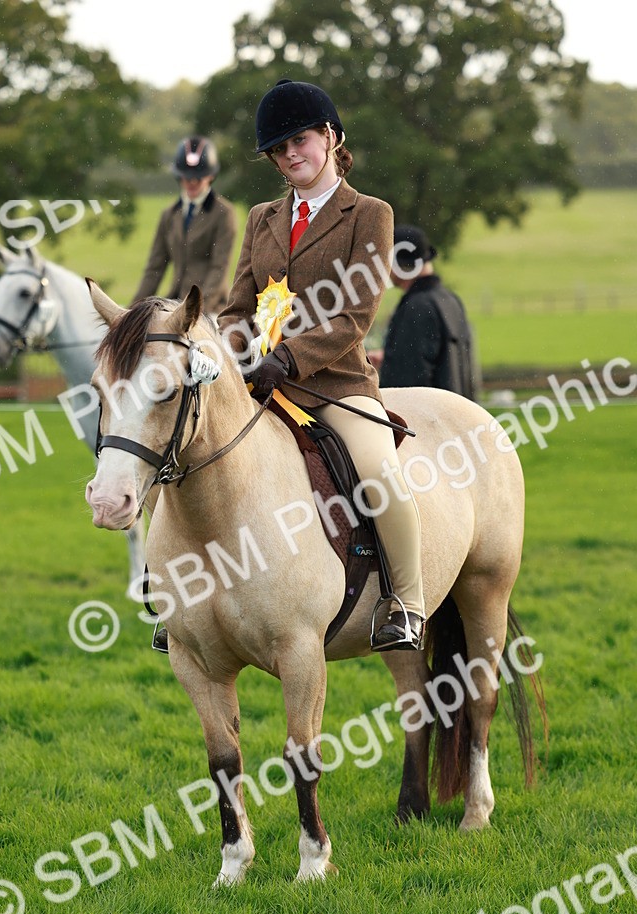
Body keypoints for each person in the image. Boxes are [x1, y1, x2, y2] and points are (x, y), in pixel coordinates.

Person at [218, 79, 424, 650]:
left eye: (300, 141)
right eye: (279, 150)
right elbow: (237, 306)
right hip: (259, 384)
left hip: (335, 384)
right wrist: (239, 351)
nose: (290, 156)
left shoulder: (369, 214)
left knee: (379, 473)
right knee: (186, 451)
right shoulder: (261, 218)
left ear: (331, 137)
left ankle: (406, 602)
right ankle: (181, 603)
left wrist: (287, 356)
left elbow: (354, 315)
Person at [371, 225, 477, 400]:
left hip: (426, 418)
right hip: (455, 413)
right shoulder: (450, 300)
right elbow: (445, 362)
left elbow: (408, 381)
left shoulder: (416, 307)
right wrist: (390, 357)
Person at [132, 135, 236, 314]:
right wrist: (132, 311)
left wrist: (196, 309)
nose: (192, 182)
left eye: (199, 177)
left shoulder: (224, 213)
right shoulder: (169, 215)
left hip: (210, 307)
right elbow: (154, 268)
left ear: (211, 176)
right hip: (174, 303)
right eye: (187, 177)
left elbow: (219, 267)